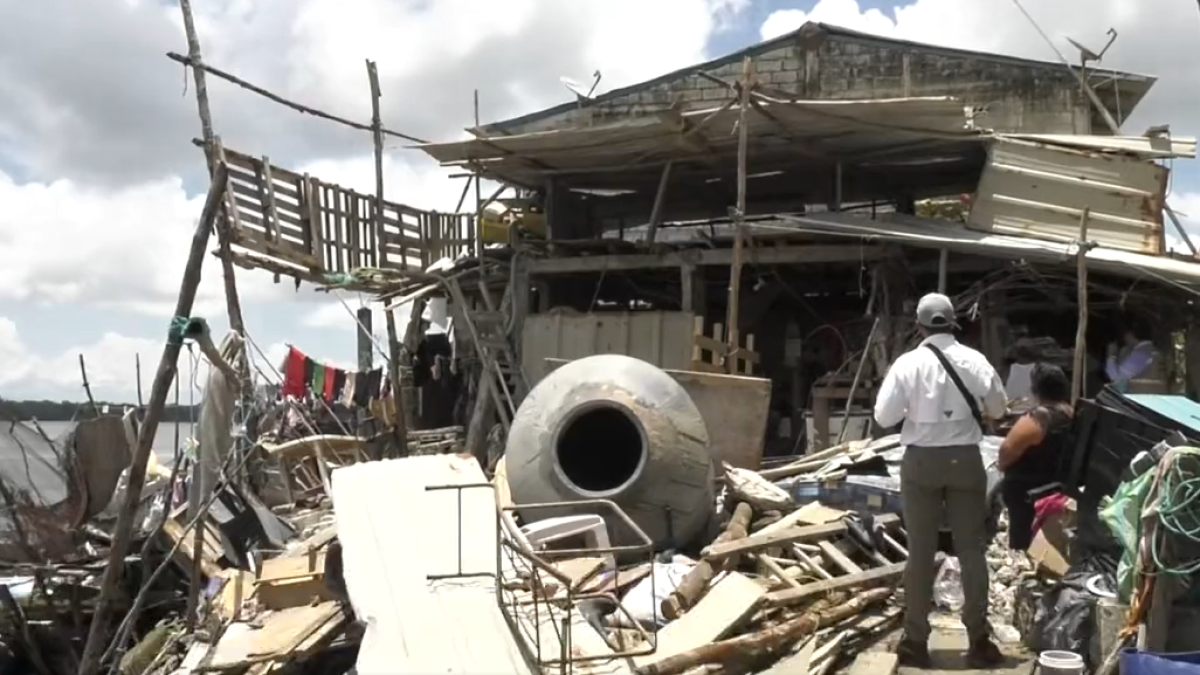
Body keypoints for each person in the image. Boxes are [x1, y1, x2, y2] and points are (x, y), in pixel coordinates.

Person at [874, 293, 1007, 668]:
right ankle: (979, 640)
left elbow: (885, 417)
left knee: (919, 551)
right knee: (971, 551)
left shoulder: (907, 363)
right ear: (953, 323)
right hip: (965, 460)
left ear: (919, 326)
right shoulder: (975, 360)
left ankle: (915, 642)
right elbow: (998, 408)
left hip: (920, 463)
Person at [997, 364, 1073, 551]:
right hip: (1058, 486)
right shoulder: (1072, 414)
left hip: (1029, 492)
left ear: (1035, 389)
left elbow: (1006, 452)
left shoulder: (1040, 417)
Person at [1105, 322, 1159, 392]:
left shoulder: (1140, 354)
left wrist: (1111, 356)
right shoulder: (1151, 349)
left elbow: (1117, 380)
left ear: (1131, 334)